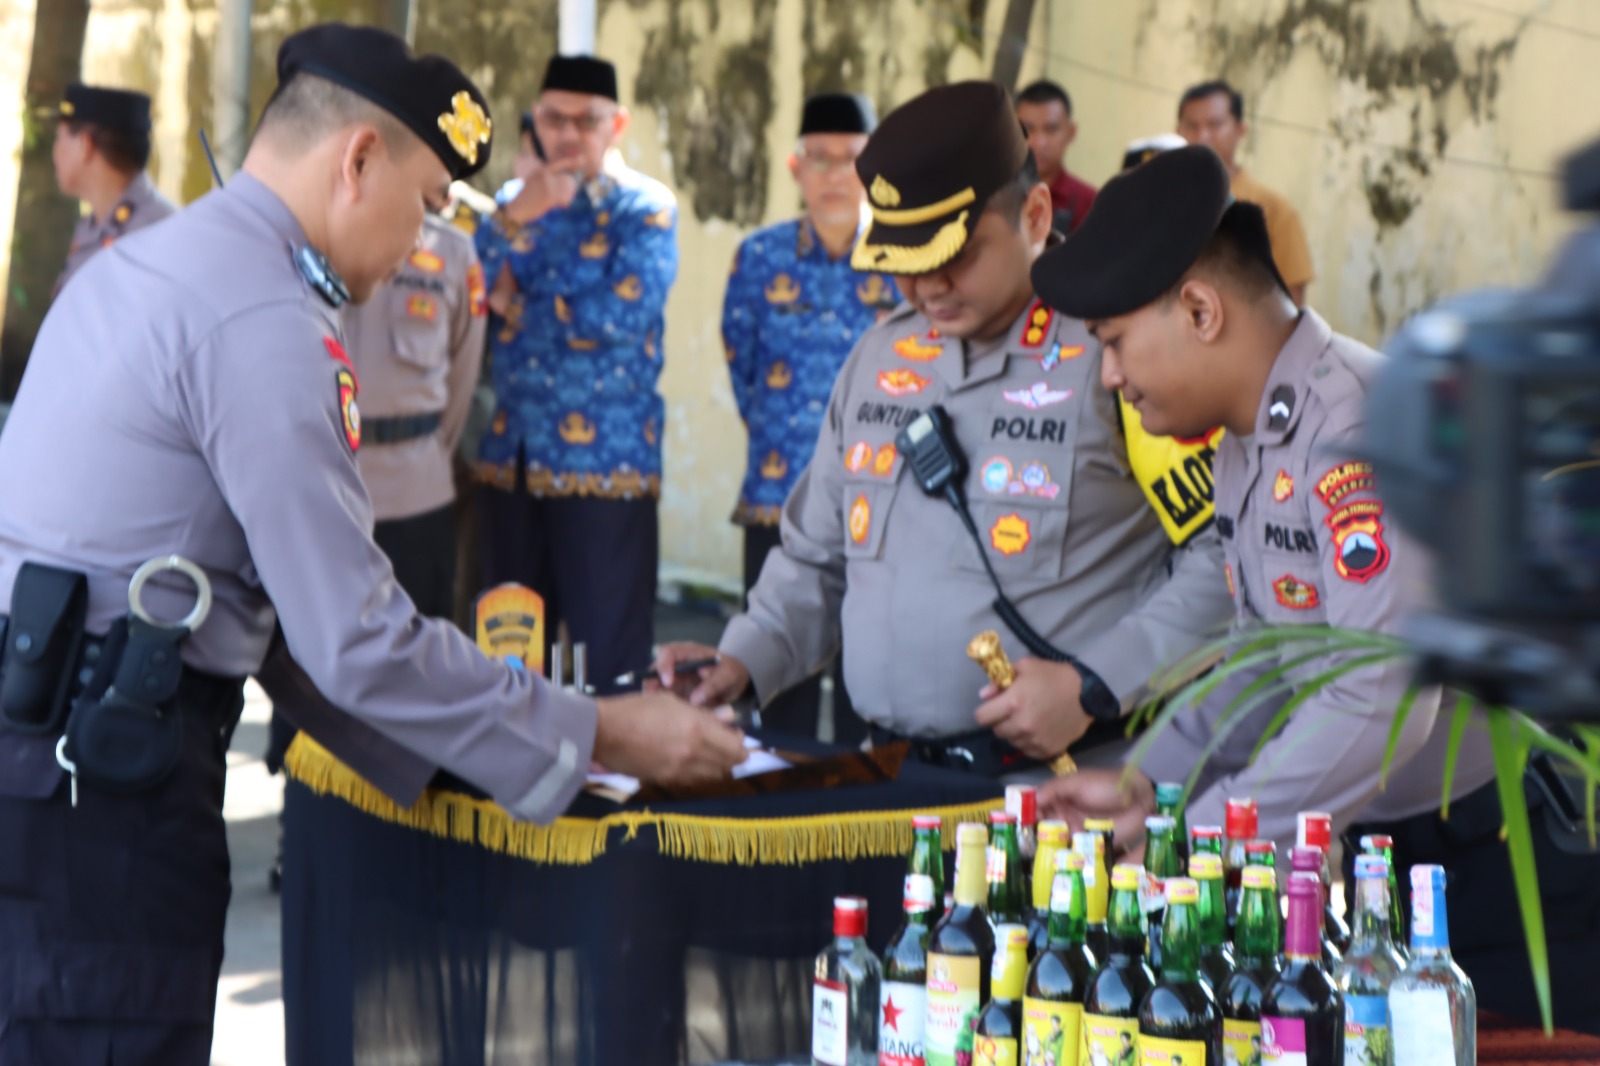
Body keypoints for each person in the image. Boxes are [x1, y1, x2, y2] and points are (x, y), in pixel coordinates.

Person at [0, 24, 744, 1063]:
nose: (419, 249)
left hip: (50, 761)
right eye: (429, 205)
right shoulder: (261, 316)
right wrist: (604, 731)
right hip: (105, 801)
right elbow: (354, 638)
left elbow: (279, 627)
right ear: (357, 160)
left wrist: (502, 756)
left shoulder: (153, 265)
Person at [1029, 146, 1600, 1033]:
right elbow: (1267, 669)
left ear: (1199, 308)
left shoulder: (1362, 428)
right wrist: (1150, 786)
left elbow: (1381, 693)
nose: (1109, 377)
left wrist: (1208, 837)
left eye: (1112, 343)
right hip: (1382, 864)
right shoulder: (1246, 443)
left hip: (1486, 876)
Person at [655, 82, 1232, 777]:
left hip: (1068, 791)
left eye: (953, 254)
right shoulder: (877, 358)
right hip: (893, 782)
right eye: (905, 260)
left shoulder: (1115, 355)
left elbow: (1224, 559)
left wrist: (1096, 682)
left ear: (1037, 215)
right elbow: (816, 559)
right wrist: (739, 660)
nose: (926, 285)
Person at [473, 54, 678, 695]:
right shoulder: (511, 203)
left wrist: (519, 294)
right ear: (535, 118)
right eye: (553, 118)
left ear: (615, 123)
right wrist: (518, 217)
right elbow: (466, 291)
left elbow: (625, 311)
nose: (567, 133)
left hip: (606, 467)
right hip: (513, 456)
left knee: (609, 663)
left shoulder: (644, 209)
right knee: (508, 656)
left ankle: (616, 796)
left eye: (585, 121)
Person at [721, 91, 890, 745]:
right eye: (819, 158)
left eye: (851, 159)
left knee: (867, 690)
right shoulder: (759, 259)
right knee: (774, 691)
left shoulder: (905, 260)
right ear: (796, 167)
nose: (834, 173)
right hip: (777, 498)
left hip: (881, 508)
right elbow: (744, 368)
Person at [343, 211, 487, 618]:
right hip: (324, 489)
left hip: (414, 493)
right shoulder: (314, 236)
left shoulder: (454, 251)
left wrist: (426, 449)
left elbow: (464, 372)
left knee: (418, 652)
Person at [1175, 80, 1313, 307]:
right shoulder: (1164, 203)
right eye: (1191, 126)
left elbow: (1291, 303)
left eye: (1215, 124)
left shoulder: (1274, 209)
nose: (1202, 137)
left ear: (1240, 130)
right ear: (1177, 131)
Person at [50, 83, 177, 297]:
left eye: (59, 139)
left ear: (84, 145)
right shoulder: (94, 226)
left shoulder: (156, 231)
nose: (55, 153)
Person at [1015, 80, 1095, 234]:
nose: (1038, 142)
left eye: (1050, 129)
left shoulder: (1089, 204)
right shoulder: (991, 192)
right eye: (1027, 129)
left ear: (1071, 132)